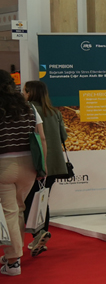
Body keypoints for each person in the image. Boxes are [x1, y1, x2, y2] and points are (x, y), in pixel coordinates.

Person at [0, 70, 46, 277]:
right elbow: (41, 138)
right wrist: (42, 166)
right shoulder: (29, 107)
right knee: (18, 209)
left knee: (9, 212)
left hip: (4, 165)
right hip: (29, 164)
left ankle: (13, 261)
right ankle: (14, 255)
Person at [23, 80, 68, 257]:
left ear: (30, 93)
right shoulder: (55, 112)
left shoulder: (27, 111)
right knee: (42, 199)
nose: (23, 94)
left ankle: (38, 235)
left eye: (25, 91)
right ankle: (41, 235)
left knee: (28, 202)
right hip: (55, 164)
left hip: (36, 164)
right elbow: (63, 137)